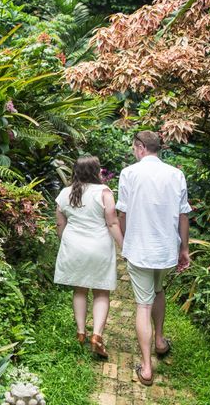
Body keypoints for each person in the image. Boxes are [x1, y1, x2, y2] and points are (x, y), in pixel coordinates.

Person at [115, 130, 191, 386]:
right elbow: (183, 215)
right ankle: (159, 341)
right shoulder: (176, 174)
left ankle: (146, 368)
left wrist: (125, 241)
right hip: (167, 250)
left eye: (134, 148)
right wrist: (184, 249)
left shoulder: (129, 173)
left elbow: (122, 213)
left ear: (140, 147)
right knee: (158, 290)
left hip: (140, 250)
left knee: (143, 305)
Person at [54, 156, 124, 358]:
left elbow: (60, 224)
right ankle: (97, 336)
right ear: (96, 171)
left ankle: (81, 333)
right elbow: (112, 223)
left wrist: (65, 242)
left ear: (75, 171)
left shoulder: (65, 193)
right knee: (101, 292)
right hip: (98, 246)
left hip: (74, 246)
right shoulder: (104, 193)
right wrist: (123, 247)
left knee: (80, 289)